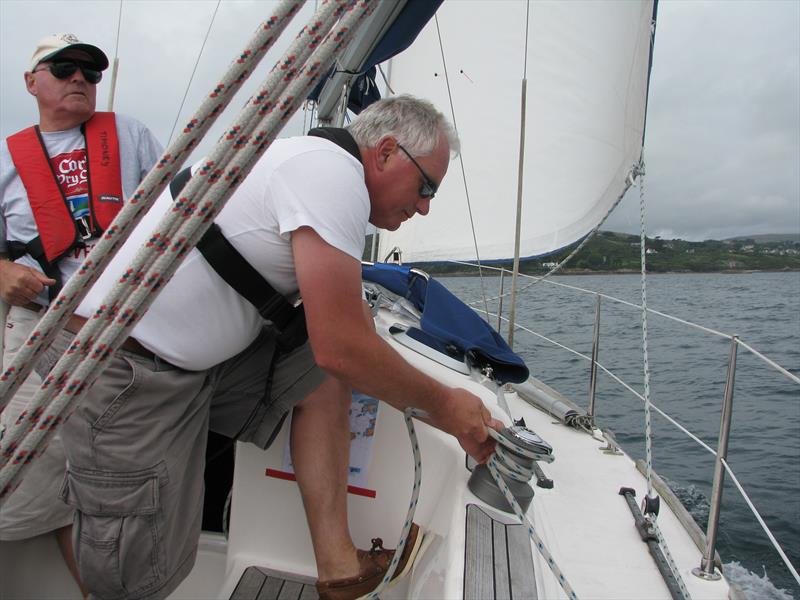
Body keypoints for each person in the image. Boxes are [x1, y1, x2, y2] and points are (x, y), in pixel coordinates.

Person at [38, 94, 501, 600]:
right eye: (426, 186)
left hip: (192, 364)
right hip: (123, 370)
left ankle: (339, 566)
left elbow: (336, 347)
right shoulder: (331, 175)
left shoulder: (307, 164)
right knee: (139, 574)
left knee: (323, 367)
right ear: (386, 152)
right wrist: (449, 408)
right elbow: (342, 348)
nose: (425, 206)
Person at [0, 33, 163, 596]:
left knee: (116, 473)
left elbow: (177, 214)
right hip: (39, 330)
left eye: (90, 72)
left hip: (124, 331)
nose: (79, 78)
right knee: (28, 471)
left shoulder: (132, 137)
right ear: (31, 82)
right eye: (64, 67)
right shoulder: (5, 156)